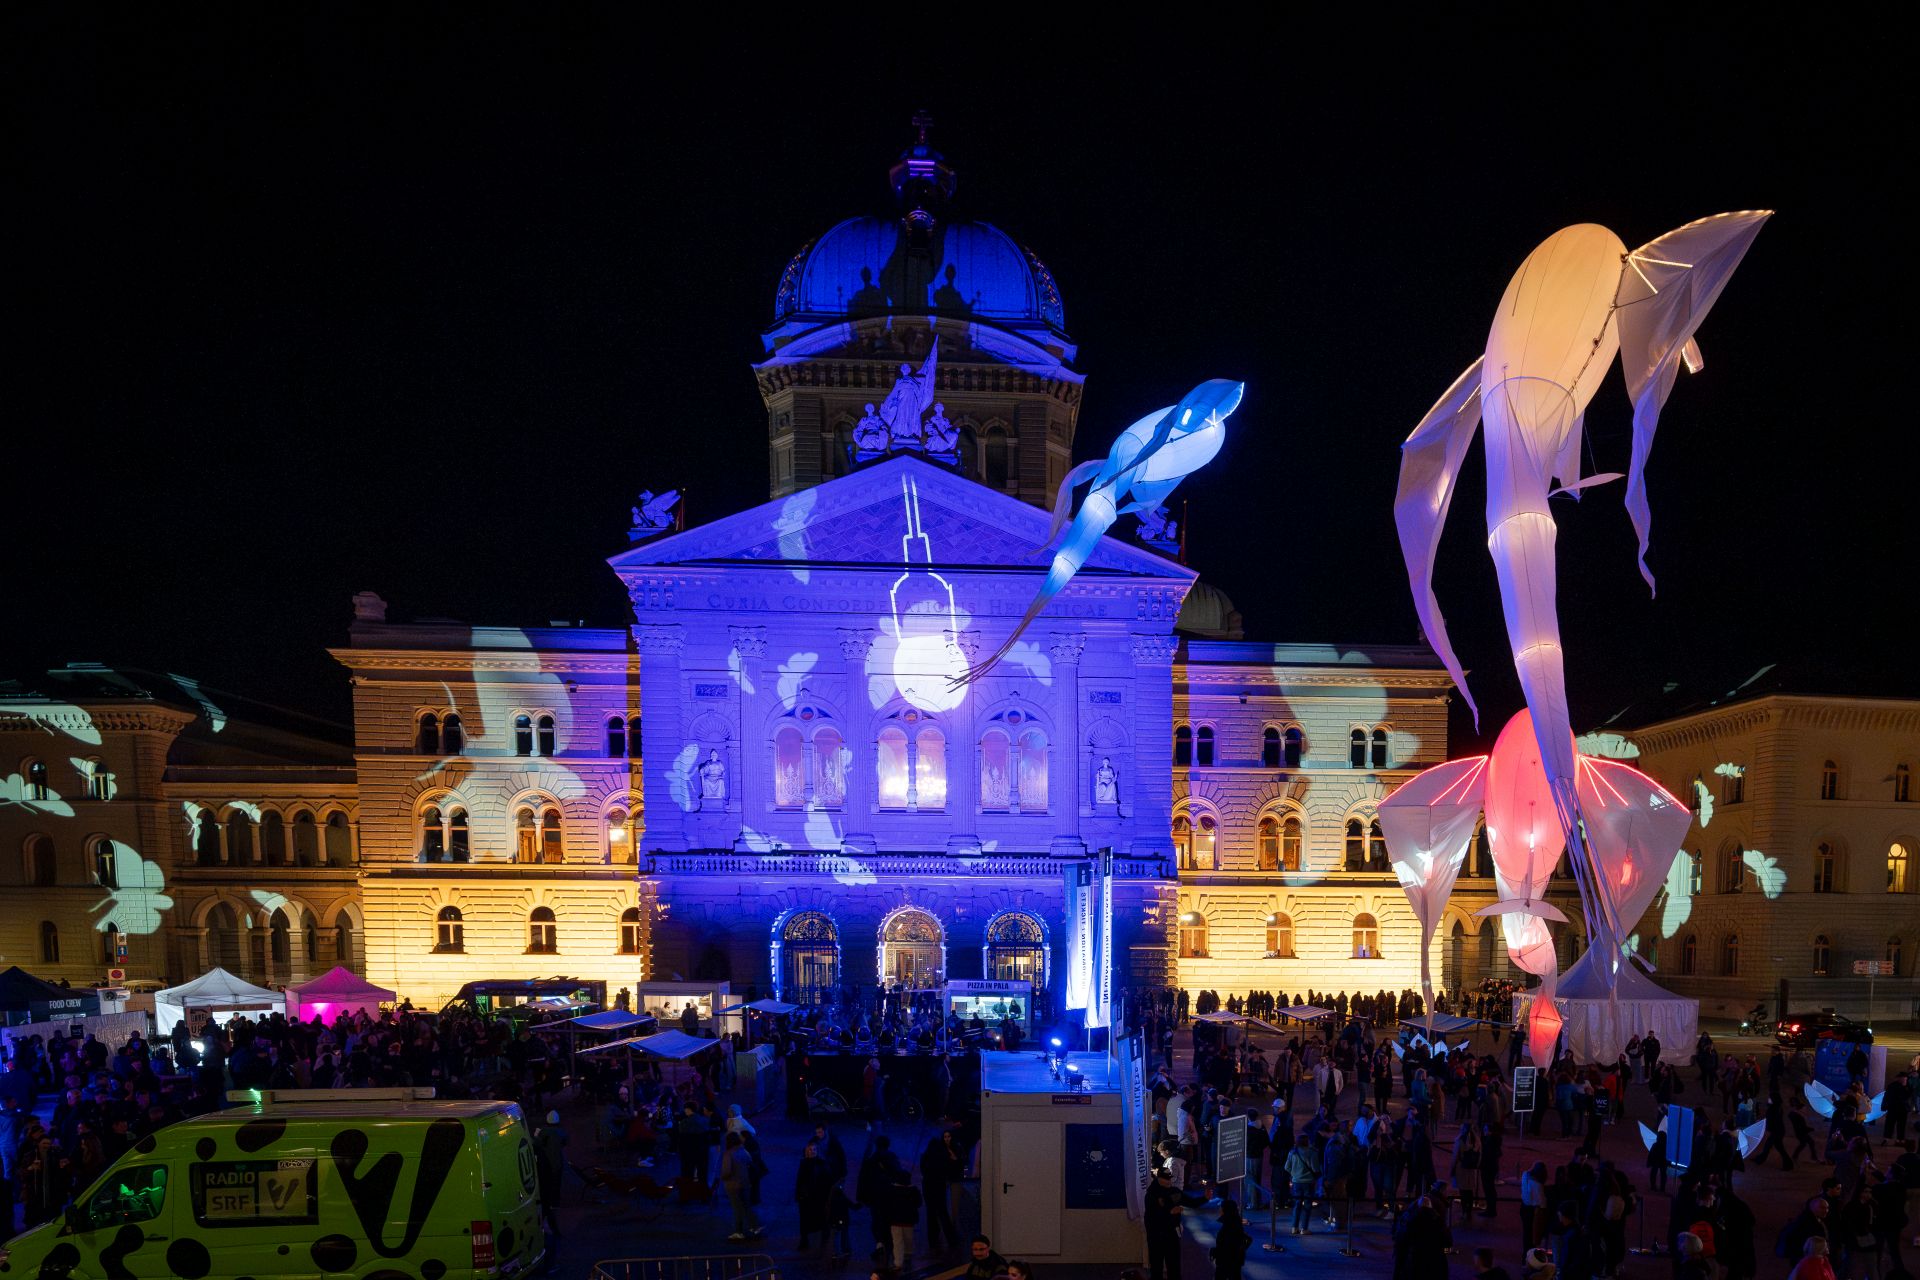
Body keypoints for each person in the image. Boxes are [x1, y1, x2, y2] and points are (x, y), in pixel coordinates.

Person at [1146, 1165, 1208, 1280]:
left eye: (1170, 1178)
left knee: (1174, 1265)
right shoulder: (1151, 1194)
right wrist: (1170, 1212)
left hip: (1171, 1234)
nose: (1169, 1181)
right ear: (1159, 1178)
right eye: (1166, 1178)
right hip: (1156, 1236)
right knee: (1156, 1266)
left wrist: (1205, 1198)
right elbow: (1151, 1216)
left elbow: (1191, 1202)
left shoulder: (1173, 1192)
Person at [532, 1109, 568, 1243]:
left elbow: (536, 1144)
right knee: (557, 1182)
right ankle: (555, 1202)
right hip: (558, 1162)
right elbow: (565, 1142)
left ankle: (548, 1206)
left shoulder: (544, 1132)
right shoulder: (561, 1131)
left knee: (547, 1184)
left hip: (546, 1163)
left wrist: (536, 1136)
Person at [721, 1131, 763, 1241]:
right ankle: (755, 1226)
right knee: (747, 1206)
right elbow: (750, 1164)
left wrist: (723, 1177)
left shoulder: (729, 1154)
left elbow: (726, 1171)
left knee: (737, 1209)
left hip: (733, 1185)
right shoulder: (743, 1151)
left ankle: (738, 1231)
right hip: (745, 1183)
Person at [885, 1168, 922, 1271]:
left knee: (897, 1241)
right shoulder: (913, 1191)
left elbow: (886, 1205)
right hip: (908, 1221)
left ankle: (898, 1262)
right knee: (908, 1238)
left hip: (895, 1220)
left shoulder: (891, 1190)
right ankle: (908, 1254)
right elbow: (919, 1203)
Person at [1212, 1198, 1252, 1280]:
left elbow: (1226, 1246)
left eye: (1221, 1208)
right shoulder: (1235, 1222)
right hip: (1235, 1260)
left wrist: (1216, 1252)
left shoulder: (1228, 1226)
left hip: (1227, 1261)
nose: (1219, 1209)